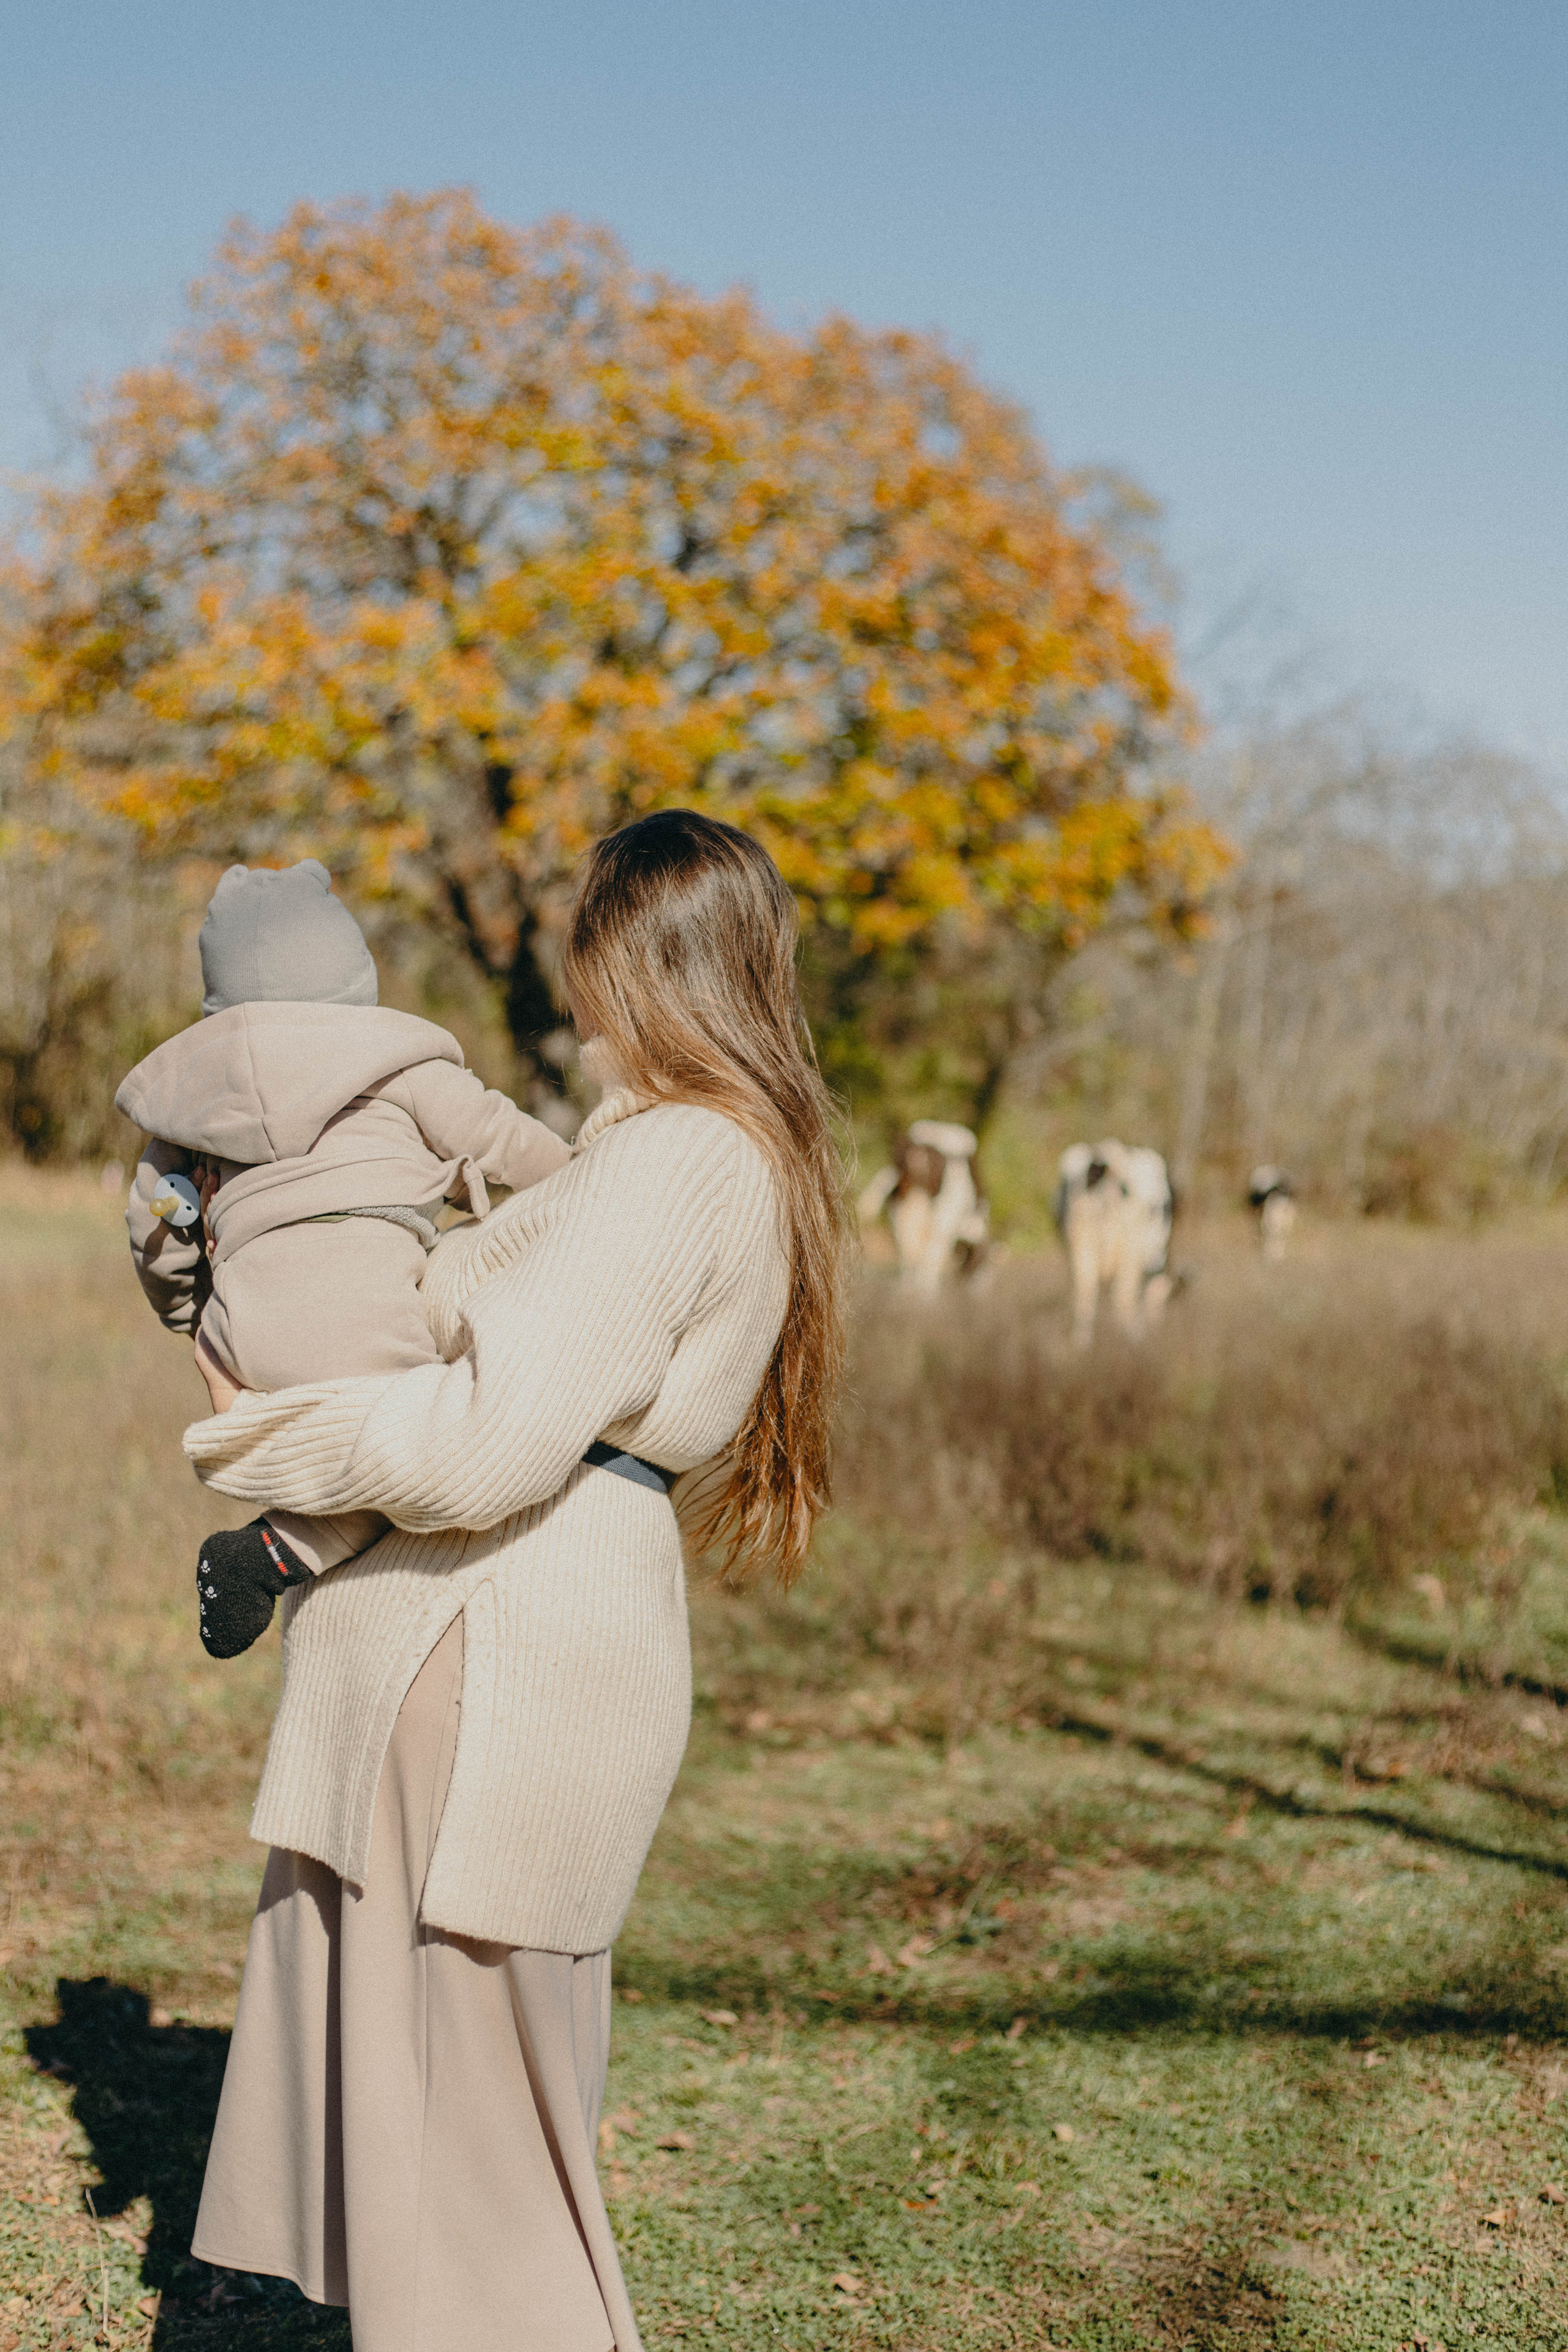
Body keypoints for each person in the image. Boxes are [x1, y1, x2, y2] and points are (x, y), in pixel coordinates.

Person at [179, 810, 849, 2352]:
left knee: (480, 2176)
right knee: (452, 2141)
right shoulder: (656, 1152)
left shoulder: (682, 1157)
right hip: (488, 1641)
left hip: (495, 1658)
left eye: (584, 944)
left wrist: (272, 1439)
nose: (569, 978)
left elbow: (490, 1442)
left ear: (634, 959)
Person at [115, 858, 569, 1653]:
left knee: (338, 1461)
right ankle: (269, 1555)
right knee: (419, 1466)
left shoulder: (195, 1103)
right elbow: (503, 1140)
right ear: (353, 973)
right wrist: (585, 1175)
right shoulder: (400, 1066)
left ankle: (277, 1545)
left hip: (245, 1337)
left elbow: (154, 1232)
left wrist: (194, 1317)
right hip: (372, 1320)